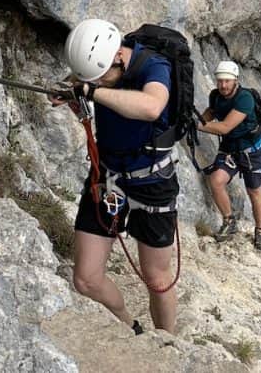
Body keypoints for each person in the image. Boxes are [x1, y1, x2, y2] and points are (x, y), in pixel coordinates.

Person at [48, 19, 179, 334]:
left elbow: (151, 106)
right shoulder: (103, 69)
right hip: (106, 177)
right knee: (86, 279)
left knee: (157, 278)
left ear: (119, 56)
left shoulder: (155, 67)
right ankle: (131, 327)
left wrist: (92, 91)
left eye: (102, 77)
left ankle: (167, 345)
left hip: (152, 182)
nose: (100, 83)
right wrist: (70, 89)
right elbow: (85, 80)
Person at [198, 60, 261, 250]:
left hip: (250, 152)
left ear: (235, 80)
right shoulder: (216, 95)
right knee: (216, 180)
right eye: (220, 81)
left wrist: (196, 125)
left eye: (227, 81)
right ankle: (229, 222)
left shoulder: (244, 98)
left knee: (254, 190)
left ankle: (260, 230)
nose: (223, 85)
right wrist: (198, 118)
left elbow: (224, 127)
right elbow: (211, 112)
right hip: (230, 150)